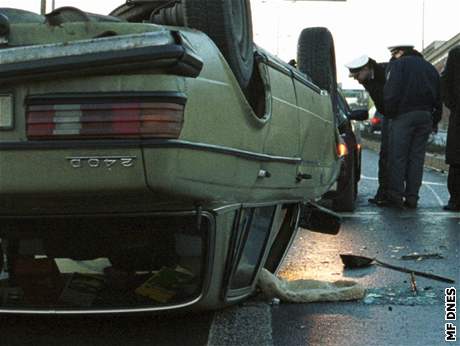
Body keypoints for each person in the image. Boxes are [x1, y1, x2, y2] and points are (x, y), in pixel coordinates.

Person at [384, 45, 442, 209]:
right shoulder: (430, 68)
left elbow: (391, 91)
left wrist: (391, 113)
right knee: (417, 159)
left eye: (394, 54)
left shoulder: (399, 65)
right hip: (425, 116)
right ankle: (412, 198)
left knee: (398, 157)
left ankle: (395, 196)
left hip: (404, 116)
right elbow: (439, 96)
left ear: (401, 52)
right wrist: (435, 121)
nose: (393, 57)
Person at [345, 55, 389, 205]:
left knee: (394, 157)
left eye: (357, 75)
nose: (357, 79)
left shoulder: (388, 71)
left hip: (397, 115)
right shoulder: (367, 80)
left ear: (366, 68)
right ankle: (384, 194)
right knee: (386, 157)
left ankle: (396, 195)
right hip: (388, 115)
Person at [440, 45, 460, 211]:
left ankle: (456, 200)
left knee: (457, 160)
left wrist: (452, 104)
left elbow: (445, 81)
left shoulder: (456, 53)